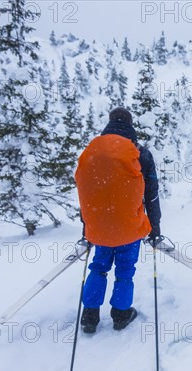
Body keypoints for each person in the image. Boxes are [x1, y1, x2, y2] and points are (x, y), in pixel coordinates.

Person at [75, 107, 162, 333]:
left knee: (99, 266)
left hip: (100, 227)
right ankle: (121, 314)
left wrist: (88, 227)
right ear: (131, 125)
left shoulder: (92, 152)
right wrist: (155, 228)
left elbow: (87, 193)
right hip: (129, 226)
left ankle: (90, 315)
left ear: (109, 123)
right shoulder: (140, 153)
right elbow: (151, 193)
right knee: (125, 269)